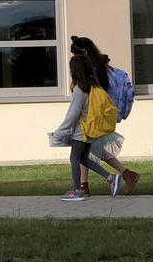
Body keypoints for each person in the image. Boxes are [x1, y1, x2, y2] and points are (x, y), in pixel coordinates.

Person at [71, 36, 140, 196]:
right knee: (92, 152)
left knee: (84, 151)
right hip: (99, 116)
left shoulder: (89, 70)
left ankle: (85, 186)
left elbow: (89, 94)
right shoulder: (102, 66)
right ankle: (126, 175)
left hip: (92, 117)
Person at [53, 55, 121, 202]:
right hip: (90, 130)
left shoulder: (80, 89)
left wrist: (59, 132)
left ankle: (77, 191)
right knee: (83, 158)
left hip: (81, 132)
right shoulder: (93, 87)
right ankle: (111, 178)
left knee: (74, 159)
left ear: (75, 71)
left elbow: (73, 114)